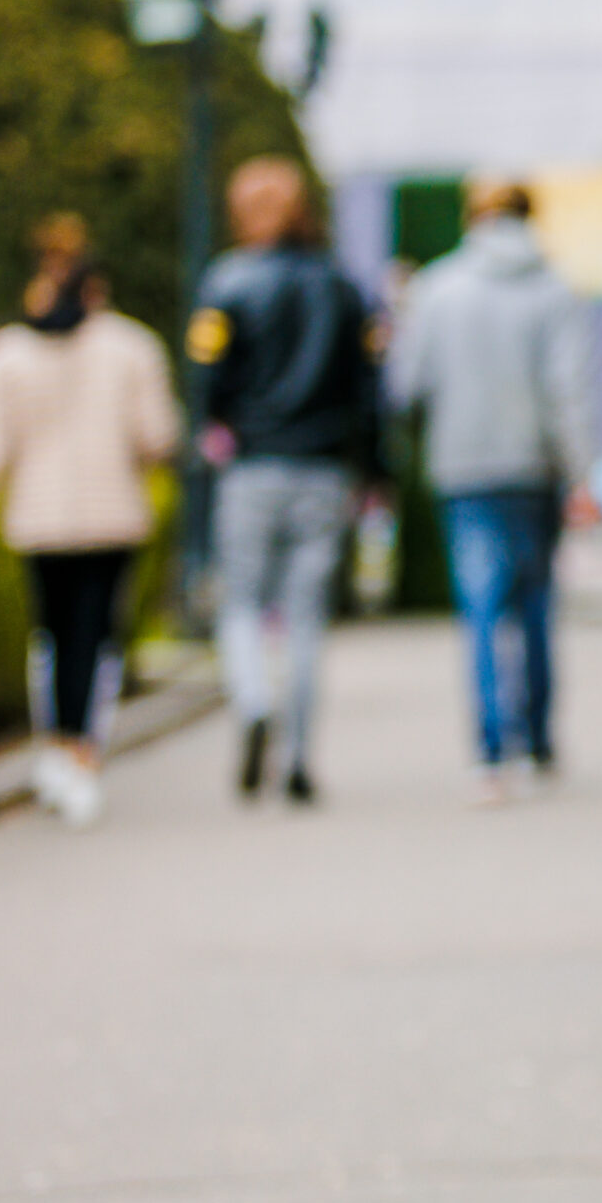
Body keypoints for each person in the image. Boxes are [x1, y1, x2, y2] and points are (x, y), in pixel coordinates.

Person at [0, 216, 180, 827]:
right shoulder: (131, 346)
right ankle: (80, 747)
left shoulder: (8, 354)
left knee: (51, 634)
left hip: (40, 519)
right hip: (110, 514)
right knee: (95, 636)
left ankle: (56, 744)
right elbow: (159, 435)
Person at [386, 181, 592, 803]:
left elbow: (406, 385)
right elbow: (570, 390)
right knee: (534, 605)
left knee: (480, 609)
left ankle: (490, 752)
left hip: (464, 468)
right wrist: (580, 473)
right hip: (534, 469)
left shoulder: (436, 289)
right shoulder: (555, 290)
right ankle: (536, 740)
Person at [189, 158, 383, 805]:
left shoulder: (227, 282)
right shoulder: (343, 287)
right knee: (305, 621)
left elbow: (208, 379)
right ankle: (298, 757)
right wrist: (375, 469)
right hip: (324, 470)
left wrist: (217, 428)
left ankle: (252, 699)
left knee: (241, 603)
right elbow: (369, 388)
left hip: (251, 467)